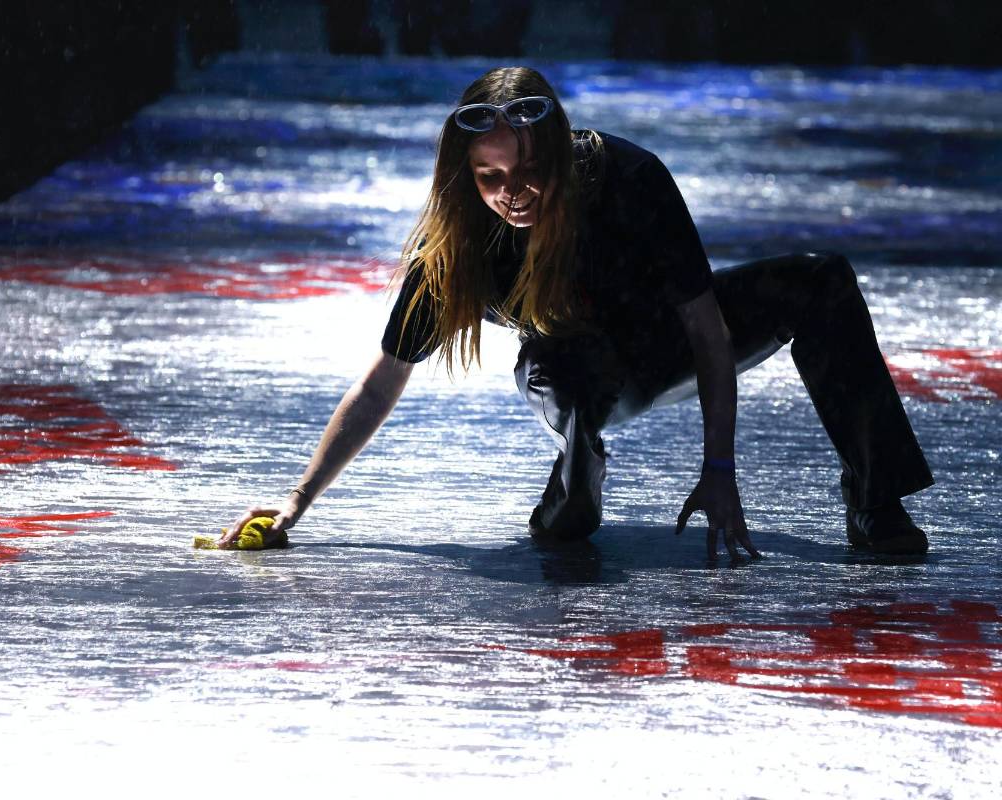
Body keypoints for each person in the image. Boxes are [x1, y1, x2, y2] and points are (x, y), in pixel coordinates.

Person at [221, 66, 934, 559]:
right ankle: (574, 481)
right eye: (492, 177)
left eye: (531, 171)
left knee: (822, 282)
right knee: (560, 363)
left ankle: (876, 501)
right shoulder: (464, 243)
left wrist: (719, 467)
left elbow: (710, 332)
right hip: (573, 372)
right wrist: (295, 502)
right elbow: (382, 381)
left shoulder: (632, 179)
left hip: (664, 346)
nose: (514, 191)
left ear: (562, 153)